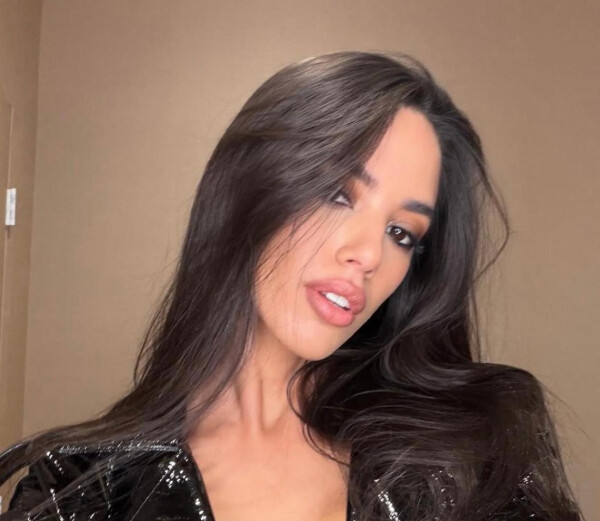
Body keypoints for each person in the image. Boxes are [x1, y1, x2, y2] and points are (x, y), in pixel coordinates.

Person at [0, 51, 583, 521]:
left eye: (402, 233)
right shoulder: (82, 488)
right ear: (249, 190)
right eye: (338, 194)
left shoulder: (482, 438)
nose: (368, 255)